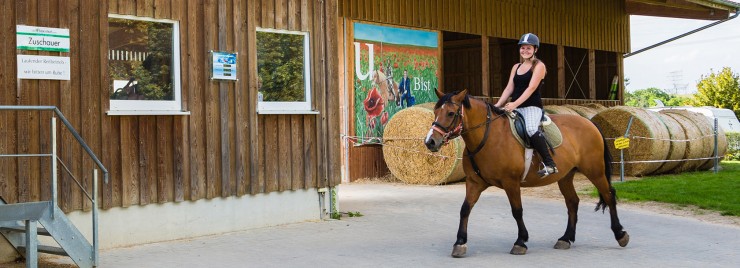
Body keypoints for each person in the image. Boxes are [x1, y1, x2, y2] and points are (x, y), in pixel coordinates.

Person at [494, 33, 557, 178]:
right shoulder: (516, 66)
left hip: (531, 107)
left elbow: (531, 88)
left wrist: (514, 104)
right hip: (515, 106)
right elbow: (509, 88)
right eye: (522, 48)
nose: (525, 51)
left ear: (535, 49)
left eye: (528, 48)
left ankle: (550, 164)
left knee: (530, 129)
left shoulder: (539, 66)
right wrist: (498, 104)